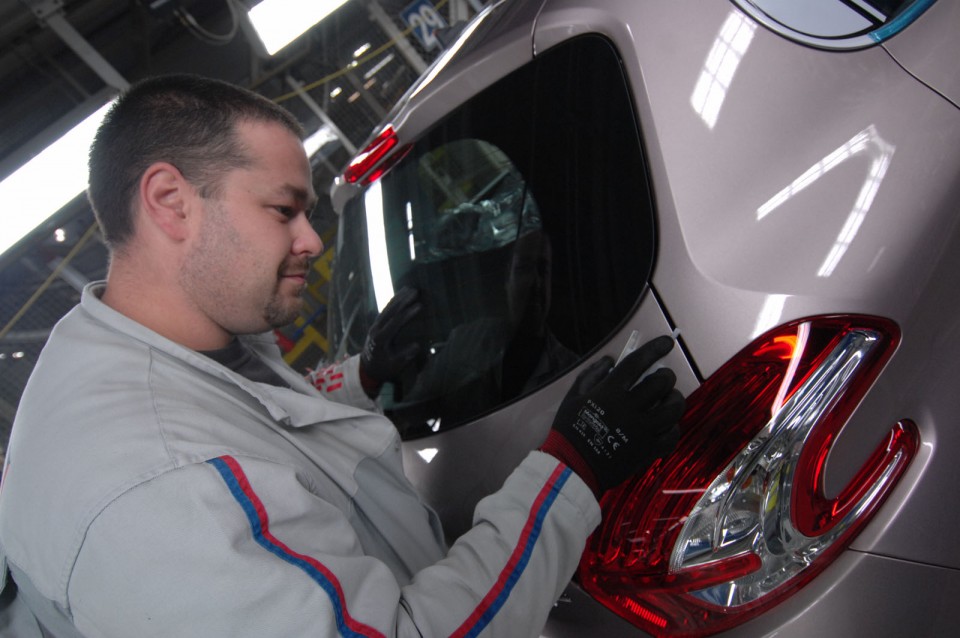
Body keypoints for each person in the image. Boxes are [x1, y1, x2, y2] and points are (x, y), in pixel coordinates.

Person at [0, 74, 685, 637]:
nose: (312, 242)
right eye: (283, 210)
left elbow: (252, 430)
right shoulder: (160, 493)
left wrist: (366, 376)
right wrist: (571, 471)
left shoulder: (141, 354)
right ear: (172, 203)